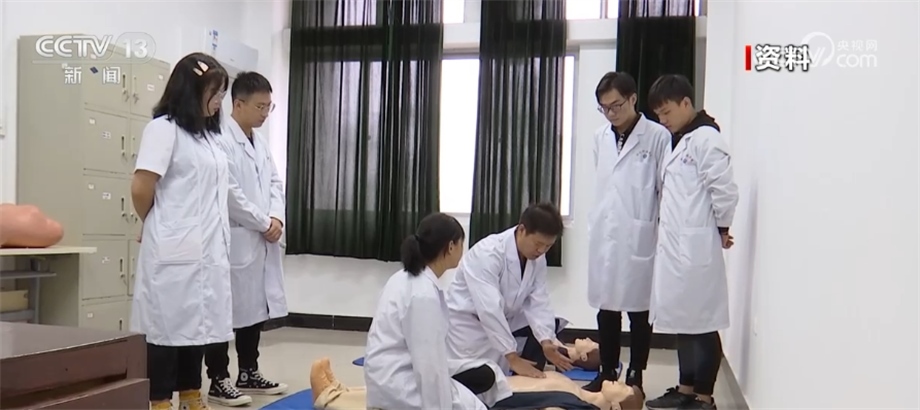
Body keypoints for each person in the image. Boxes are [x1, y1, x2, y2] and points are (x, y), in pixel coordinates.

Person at [130, 53, 273, 410]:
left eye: (222, 92)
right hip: (173, 248)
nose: (219, 100)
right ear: (190, 90)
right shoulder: (163, 129)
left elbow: (225, 190)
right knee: (165, 330)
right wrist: (156, 222)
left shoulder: (209, 137)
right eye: (214, 92)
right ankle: (160, 400)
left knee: (198, 327)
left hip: (209, 249)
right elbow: (141, 187)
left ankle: (192, 394)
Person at [642, 74, 739, 410]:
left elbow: (724, 189)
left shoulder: (706, 139)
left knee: (703, 323)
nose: (663, 120)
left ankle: (704, 397)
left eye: (667, 112)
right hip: (678, 249)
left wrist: (722, 226)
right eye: (658, 115)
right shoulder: (683, 140)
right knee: (685, 321)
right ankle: (685, 390)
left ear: (686, 103)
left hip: (696, 247)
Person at [204, 71, 289, 407]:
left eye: (269, 107)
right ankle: (218, 378)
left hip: (259, 237)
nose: (265, 113)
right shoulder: (220, 140)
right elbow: (230, 194)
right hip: (235, 237)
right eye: (260, 106)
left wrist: (276, 217)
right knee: (224, 313)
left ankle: (248, 372)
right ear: (238, 104)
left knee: (253, 309)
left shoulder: (260, 142)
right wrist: (263, 221)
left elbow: (275, 184)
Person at [584, 72, 671, 395]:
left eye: (616, 105)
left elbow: (663, 188)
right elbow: (606, 184)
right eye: (604, 108)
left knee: (639, 310)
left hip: (640, 233)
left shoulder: (658, 137)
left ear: (633, 99)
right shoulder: (600, 137)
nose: (610, 113)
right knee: (606, 308)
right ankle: (607, 372)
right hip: (606, 232)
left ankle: (636, 374)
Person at [445, 202, 572, 405]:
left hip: (499, 327)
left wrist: (546, 341)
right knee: (467, 393)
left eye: (548, 246)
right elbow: (489, 309)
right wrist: (512, 357)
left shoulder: (537, 259)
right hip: (468, 330)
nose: (541, 250)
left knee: (497, 391)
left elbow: (538, 300)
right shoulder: (488, 253)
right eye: (538, 243)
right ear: (522, 230)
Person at [364, 213, 494, 410]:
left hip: (391, 373)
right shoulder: (423, 294)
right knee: (475, 405)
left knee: (485, 375)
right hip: (399, 385)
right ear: (451, 246)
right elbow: (428, 367)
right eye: (461, 243)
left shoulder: (404, 278)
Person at [311, 357, 644, 410]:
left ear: (616, 407)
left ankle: (333, 398)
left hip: (482, 405)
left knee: (416, 399)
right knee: (417, 387)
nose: (616, 381)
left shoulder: (574, 407)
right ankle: (343, 392)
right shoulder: (577, 392)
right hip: (488, 393)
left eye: (622, 388)